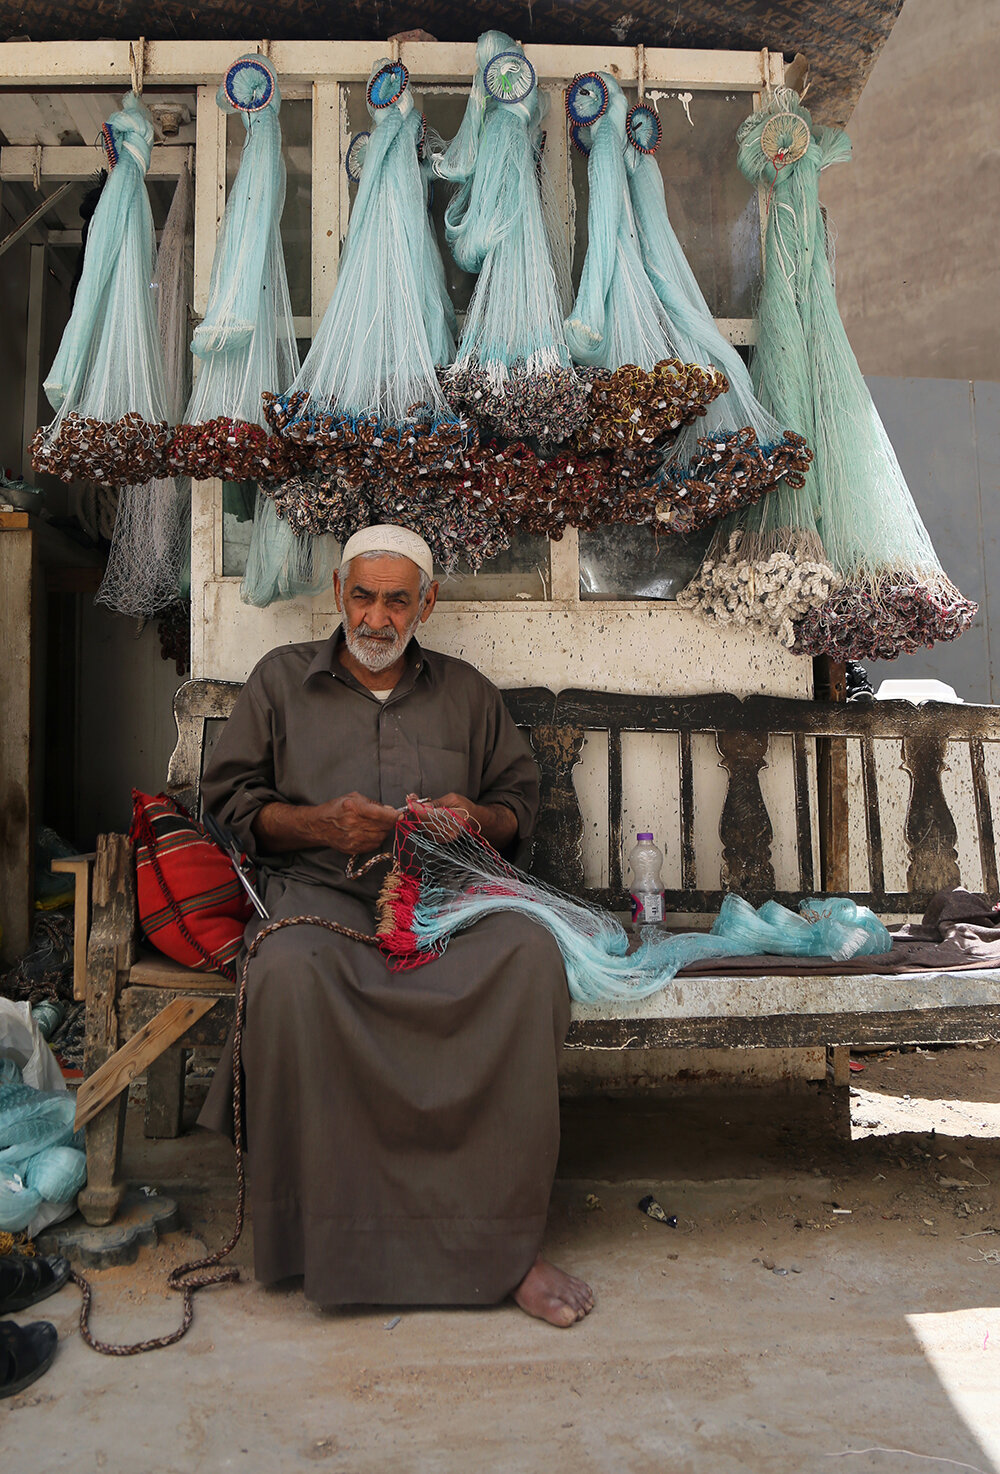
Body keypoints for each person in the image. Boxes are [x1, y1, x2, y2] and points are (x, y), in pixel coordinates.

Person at [198, 525, 593, 1328]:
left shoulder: (466, 692)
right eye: (364, 596)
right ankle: (329, 1239)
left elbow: (519, 802)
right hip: (319, 901)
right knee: (290, 972)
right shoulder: (280, 682)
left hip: (444, 906)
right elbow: (229, 806)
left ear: (428, 603)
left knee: (526, 956)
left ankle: (501, 1247)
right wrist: (318, 825)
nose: (377, 618)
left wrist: (473, 818)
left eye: (397, 600)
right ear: (340, 593)